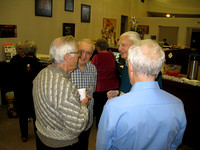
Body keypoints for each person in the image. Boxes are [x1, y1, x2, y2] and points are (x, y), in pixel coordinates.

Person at [96, 39, 187, 150]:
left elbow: (103, 146)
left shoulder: (113, 107)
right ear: (158, 69)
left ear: (130, 67)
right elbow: (174, 143)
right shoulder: (177, 104)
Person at [32, 36, 90, 150]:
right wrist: (84, 104)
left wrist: (72, 102)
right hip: (61, 143)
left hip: (42, 137)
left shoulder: (42, 74)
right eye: (78, 52)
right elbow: (78, 126)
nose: (80, 56)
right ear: (67, 57)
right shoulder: (64, 86)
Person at [107, 31, 163, 99]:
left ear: (135, 46)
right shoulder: (127, 64)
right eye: (119, 45)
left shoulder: (148, 67)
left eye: (123, 45)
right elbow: (127, 89)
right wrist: (118, 92)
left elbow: (153, 95)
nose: (119, 49)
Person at [10, 40, 42, 142]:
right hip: (34, 93)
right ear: (35, 50)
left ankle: (24, 135)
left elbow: (14, 78)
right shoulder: (38, 64)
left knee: (22, 115)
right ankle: (38, 133)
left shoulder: (19, 62)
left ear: (24, 50)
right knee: (35, 115)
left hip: (21, 93)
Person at [71, 39, 97, 150]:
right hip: (71, 118)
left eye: (88, 53)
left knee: (83, 144)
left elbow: (93, 90)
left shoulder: (93, 69)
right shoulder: (68, 68)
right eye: (81, 51)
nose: (84, 55)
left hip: (87, 117)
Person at [91, 38, 119, 127]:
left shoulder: (96, 57)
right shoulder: (111, 55)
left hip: (100, 87)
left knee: (99, 109)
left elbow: (92, 69)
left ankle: (99, 125)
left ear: (98, 47)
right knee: (109, 108)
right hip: (112, 85)